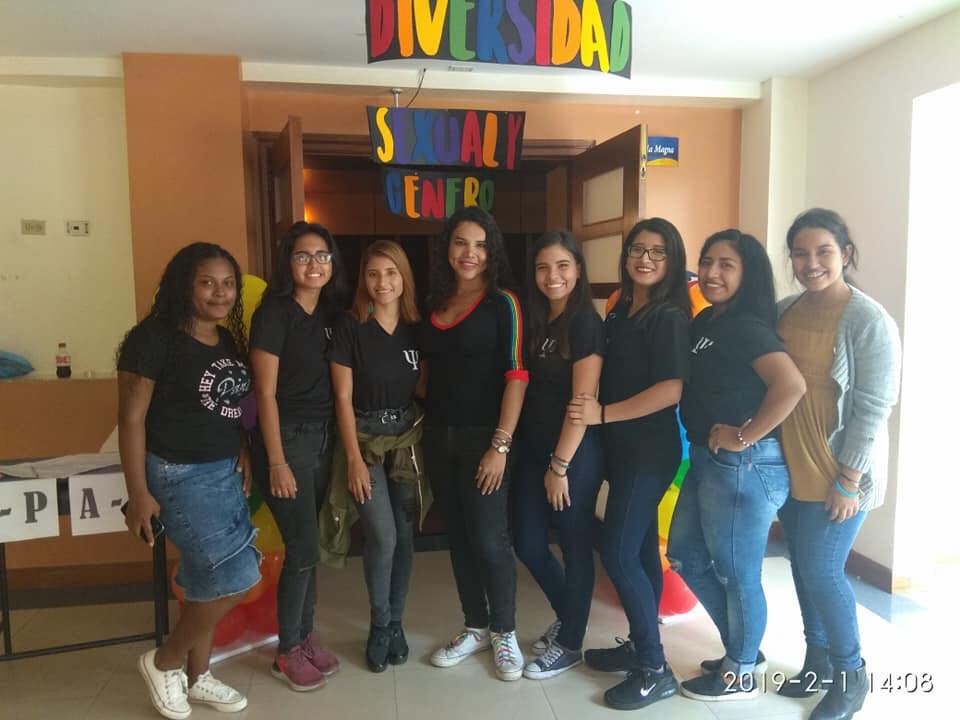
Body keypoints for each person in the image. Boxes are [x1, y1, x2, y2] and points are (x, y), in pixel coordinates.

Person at [666, 230, 806, 701]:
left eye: (726, 264)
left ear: (748, 273)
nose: (712, 273)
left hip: (744, 464)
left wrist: (745, 435)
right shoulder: (708, 320)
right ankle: (742, 649)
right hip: (709, 460)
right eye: (707, 262)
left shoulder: (748, 327)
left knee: (737, 574)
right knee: (685, 555)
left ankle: (741, 671)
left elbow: (791, 386)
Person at [118, 243, 256, 719]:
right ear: (184, 285)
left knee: (204, 580)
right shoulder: (154, 338)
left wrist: (242, 448)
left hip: (224, 472)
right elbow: (131, 419)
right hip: (179, 475)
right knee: (236, 579)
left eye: (228, 284)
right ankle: (164, 662)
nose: (220, 293)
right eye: (207, 282)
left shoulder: (226, 338)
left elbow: (228, 405)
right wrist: (138, 492)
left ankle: (198, 677)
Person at [776, 209, 900, 720]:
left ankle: (851, 677)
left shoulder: (868, 319)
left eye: (823, 252)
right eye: (800, 254)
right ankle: (818, 660)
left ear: (845, 254)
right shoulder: (784, 311)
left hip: (839, 473)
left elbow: (873, 407)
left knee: (823, 570)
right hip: (790, 466)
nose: (812, 263)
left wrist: (850, 480)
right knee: (803, 567)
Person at [568, 218, 691, 710]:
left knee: (618, 554)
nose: (645, 259)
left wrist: (602, 414)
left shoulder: (669, 316)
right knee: (637, 550)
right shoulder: (620, 309)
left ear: (671, 260)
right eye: (638, 249)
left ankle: (655, 669)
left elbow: (671, 390)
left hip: (649, 452)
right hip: (622, 449)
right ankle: (642, 645)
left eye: (658, 252)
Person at [420, 207, 528, 682]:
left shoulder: (503, 302)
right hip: (438, 438)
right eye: (461, 242)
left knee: (489, 538)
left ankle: (505, 631)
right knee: (459, 538)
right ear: (447, 247)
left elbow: (517, 375)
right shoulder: (435, 301)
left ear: (493, 251)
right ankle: (475, 626)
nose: (470, 253)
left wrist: (500, 446)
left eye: (481, 245)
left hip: (487, 440)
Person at [249, 221, 346, 691]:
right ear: (288, 262)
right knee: (303, 547)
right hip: (285, 441)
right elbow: (264, 393)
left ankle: (305, 640)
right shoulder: (274, 313)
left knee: (310, 548)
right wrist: (276, 461)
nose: (314, 264)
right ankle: (287, 651)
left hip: (322, 438)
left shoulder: (328, 314)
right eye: (303, 255)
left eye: (322, 255)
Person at [327, 240, 430, 673]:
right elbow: (342, 398)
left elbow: (425, 387)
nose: (382, 282)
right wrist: (353, 458)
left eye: (391, 273)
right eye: (373, 273)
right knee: (383, 535)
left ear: (404, 277)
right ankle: (379, 623)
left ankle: (396, 624)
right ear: (363, 280)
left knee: (404, 537)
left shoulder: (416, 328)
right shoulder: (350, 327)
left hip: (406, 439)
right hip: (365, 439)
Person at [511, 230, 604, 680]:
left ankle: (570, 643)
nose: (553, 276)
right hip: (533, 450)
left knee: (573, 544)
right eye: (543, 267)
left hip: (572, 456)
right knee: (528, 542)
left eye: (563, 266)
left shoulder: (584, 322)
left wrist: (560, 465)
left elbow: (582, 402)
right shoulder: (537, 319)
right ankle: (570, 617)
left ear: (578, 270)